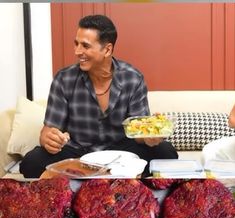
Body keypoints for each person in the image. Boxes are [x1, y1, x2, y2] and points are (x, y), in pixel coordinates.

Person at [20, 14, 178, 178]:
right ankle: (107, 175)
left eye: (85, 46)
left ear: (107, 49)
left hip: (121, 153)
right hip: (77, 152)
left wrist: (149, 138)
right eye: (76, 44)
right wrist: (49, 139)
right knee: (31, 162)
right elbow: (48, 130)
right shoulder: (64, 79)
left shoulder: (133, 78)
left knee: (166, 153)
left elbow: (139, 132)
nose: (77, 51)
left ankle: (92, 176)